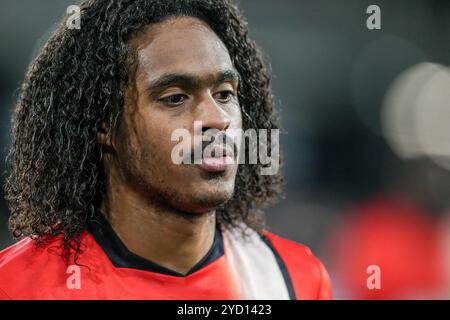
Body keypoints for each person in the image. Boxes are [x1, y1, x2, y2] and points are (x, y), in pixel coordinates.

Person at [0, 0, 331, 299]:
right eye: (175, 97)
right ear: (105, 124)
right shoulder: (16, 286)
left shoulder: (296, 280)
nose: (217, 120)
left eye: (225, 93)